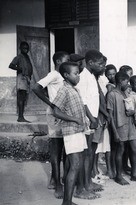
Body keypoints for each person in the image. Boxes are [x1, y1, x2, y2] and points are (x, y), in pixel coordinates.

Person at [32, 51, 69, 199]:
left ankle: (58, 179)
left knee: (65, 148)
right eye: (66, 60)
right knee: (56, 148)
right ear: (59, 61)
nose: (68, 62)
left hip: (64, 115)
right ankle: (57, 184)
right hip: (55, 115)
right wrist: (51, 104)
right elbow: (36, 87)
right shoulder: (54, 74)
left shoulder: (63, 75)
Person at [52, 62, 88, 205]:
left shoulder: (75, 90)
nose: (78, 76)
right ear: (66, 75)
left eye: (79, 73)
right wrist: (74, 119)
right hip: (71, 131)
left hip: (78, 130)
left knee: (75, 165)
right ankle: (66, 202)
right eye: (75, 73)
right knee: (74, 165)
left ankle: (68, 200)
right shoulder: (64, 90)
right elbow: (55, 110)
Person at [74, 50, 105, 198]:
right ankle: (80, 189)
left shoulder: (92, 77)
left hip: (91, 121)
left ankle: (87, 183)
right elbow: (83, 102)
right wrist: (92, 119)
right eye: (100, 64)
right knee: (83, 155)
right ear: (90, 63)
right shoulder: (83, 77)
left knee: (88, 154)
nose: (102, 66)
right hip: (86, 121)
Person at [106, 72, 136, 185]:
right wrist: (115, 133)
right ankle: (118, 176)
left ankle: (134, 174)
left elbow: (131, 110)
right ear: (120, 81)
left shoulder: (126, 93)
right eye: (126, 82)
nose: (128, 84)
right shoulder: (112, 94)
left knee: (135, 148)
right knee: (120, 150)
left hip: (131, 125)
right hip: (120, 126)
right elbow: (110, 116)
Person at [9, 41, 33, 123]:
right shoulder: (19, 57)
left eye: (27, 48)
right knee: (21, 97)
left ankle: (21, 116)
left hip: (26, 79)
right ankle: (20, 117)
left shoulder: (27, 57)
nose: (26, 49)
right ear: (20, 49)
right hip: (21, 78)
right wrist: (20, 69)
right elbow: (11, 65)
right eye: (24, 48)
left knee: (24, 98)